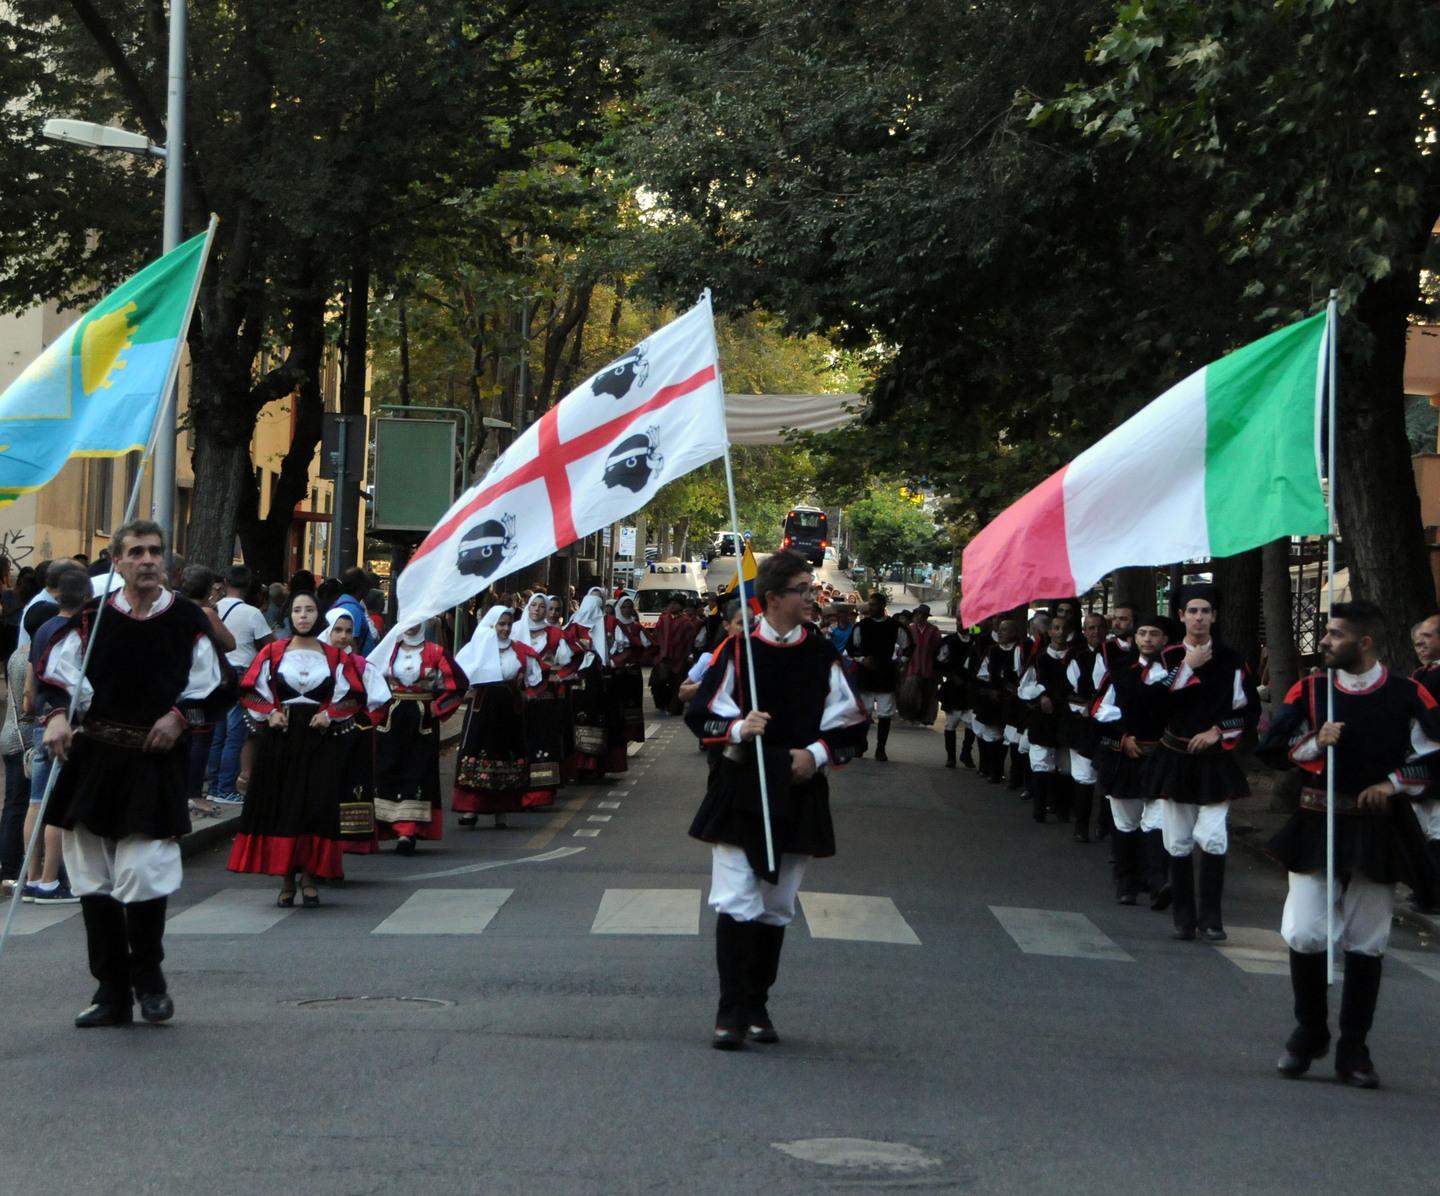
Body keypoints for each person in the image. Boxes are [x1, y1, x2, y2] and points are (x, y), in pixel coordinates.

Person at [38, 520, 223, 1027]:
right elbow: (54, 678)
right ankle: (110, 992)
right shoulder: (93, 619)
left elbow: (214, 687)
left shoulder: (185, 619)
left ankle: (150, 978)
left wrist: (179, 716)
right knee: (93, 880)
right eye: (136, 552)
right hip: (93, 759)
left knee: (144, 872)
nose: (147, 559)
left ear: (165, 561)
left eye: (155, 551)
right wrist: (55, 717)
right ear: (116, 561)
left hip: (152, 762)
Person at [686, 549, 869, 1049]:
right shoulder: (737, 651)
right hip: (741, 789)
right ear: (772, 599)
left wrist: (817, 752)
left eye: (813, 588)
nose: (815, 597)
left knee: (776, 904)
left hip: (798, 789)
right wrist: (737, 728)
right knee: (738, 898)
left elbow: (854, 724)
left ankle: (758, 1003)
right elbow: (700, 713)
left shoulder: (822, 653)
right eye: (805, 590)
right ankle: (731, 1010)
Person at [1259, 601, 1440, 1089]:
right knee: (1303, 931)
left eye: (1335, 635)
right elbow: (1273, 748)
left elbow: (1435, 750)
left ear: (1364, 643)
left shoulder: (1407, 693)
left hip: (1377, 827)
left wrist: (1396, 783)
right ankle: (1310, 1029)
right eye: (1325, 632)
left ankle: (1354, 1047)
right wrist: (1317, 741)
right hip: (1317, 821)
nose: (1324, 641)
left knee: (1367, 939)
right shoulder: (1312, 690)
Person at [227, 591, 373, 904]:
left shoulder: (334, 657)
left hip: (319, 741)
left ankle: (310, 876)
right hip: (281, 741)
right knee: (283, 806)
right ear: (290, 615)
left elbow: (355, 696)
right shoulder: (273, 652)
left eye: (309, 610)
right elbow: (250, 691)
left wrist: (329, 715)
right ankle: (286, 882)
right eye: (297, 610)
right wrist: (271, 713)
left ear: (317, 615)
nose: (303, 615)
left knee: (316, 806)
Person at [1143, 583, 1255, 942]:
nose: (1199, 617)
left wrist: (1219, 730)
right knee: (1177, 838)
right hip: (1175, 758)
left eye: (1205, 611)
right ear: (1181, 616)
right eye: (1192, 611)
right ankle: (1184, 917)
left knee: (1212, 834)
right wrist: (1185, 670)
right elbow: (1151, 708)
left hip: (1214, 761)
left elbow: (1247, 709)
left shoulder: (1232, 659)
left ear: (1214, 616)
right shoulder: (1166, 658)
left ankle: (1211, 915)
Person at [1093, 613, 1175, 904]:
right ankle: (1126, 882)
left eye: (1154, 634)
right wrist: (1123, 737)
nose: (1148, 639)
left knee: (1156, 819)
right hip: (1124, 758)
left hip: (1161, 757)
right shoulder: (1120, 671)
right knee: (1126, 821)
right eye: (1143, 633)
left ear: (1164, 639)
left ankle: (1157, 881)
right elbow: (1101, 710)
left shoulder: (1175, 674)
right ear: (1135, 638)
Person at [368, 621, 467, 852]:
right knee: (387, 769)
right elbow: (369, 675)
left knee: (418, 770)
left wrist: (437, 707)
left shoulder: (435, 651)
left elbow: (458, 684)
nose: (412, 626)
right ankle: (385, 827)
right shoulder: (388, 649)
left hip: (422, 719)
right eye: (408, 620)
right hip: (391, 718)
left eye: (417, 620)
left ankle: (408, 831)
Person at [452, 606, 547, 827]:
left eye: (508, 624)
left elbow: (537, 677)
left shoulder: (520, 651)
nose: (505, 629)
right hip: (481, 709)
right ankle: (470, 808)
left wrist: (527, 695)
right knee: (475, 750)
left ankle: (501, 810)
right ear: (491, 625)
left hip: (508, 710)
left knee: (505, 754)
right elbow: (459, 674)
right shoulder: (477, 649)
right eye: (501, 624)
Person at [321, 609, 391, 854]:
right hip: (321, 733)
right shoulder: (315, 661)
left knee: (353, 783)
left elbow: (380, 700)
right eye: (337, 630)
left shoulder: (360, 665)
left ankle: (352, 839)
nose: (343, 636)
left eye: (348, 632)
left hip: (353, 736)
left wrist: (365, 724)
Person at [205, 565, 274, 806]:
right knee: (236, 735)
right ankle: (225, 787)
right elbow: (270, 645)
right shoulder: (252, 613)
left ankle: (212, 785)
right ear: (248, 587)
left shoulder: (212, 608)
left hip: (217, 672)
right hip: (242, 675)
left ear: (225, 583)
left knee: (217, 734)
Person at [564, 591, 628, 781]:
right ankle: (578, 765)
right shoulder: (573, 626)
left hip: (597, 682)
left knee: (597, 721)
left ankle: (594, 764)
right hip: (577, 680)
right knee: (577, 721)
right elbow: (564, 649)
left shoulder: (605, 624)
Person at [846, 592, 908, 761]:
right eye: (870, 604)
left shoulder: (895, 626)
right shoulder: (862, 625)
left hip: (885, 674)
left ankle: (881, 748)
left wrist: (900, 661)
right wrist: (862, 659)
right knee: (864, 712)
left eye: (873, 605)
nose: (870, 607)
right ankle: (860, 744)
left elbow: (908, 646)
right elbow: (851, 648)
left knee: (884, 713)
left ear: (882, 606)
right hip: (866, 673)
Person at [611, 596, 653, 743]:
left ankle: (632, 734)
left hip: (633, 671)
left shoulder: (637, 627)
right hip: (616, 671)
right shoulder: (612, 626)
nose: (627, 610)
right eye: (624, 607)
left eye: (629, 607)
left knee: (633, 703)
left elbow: (648, 644)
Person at [935, 623, 974, 768]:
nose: (961, 624)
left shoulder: (976, 639)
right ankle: (951, 757)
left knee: (971, 723)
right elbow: (939, 661)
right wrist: (951, 675)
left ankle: (966, 753)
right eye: (959, 621)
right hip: (953, 687)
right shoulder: (949, 641)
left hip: (971, 687)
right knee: (951, 723)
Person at [900, 604, 941, 725]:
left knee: (928, 694)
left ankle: (926, 717)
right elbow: (905, 647)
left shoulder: (934, 630)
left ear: (926, 617)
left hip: (929, 667)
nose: (918, 617)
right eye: (917, 614)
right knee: (909, 694)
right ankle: (910, 715)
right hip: (912, 666)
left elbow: (937, 649)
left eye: (921, 615)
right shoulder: (910, 629)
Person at [331, 567, 378, 656]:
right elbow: (352, 644)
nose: (369, 590)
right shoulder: (352, 609)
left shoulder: (341, 602)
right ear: (360, 587)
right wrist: (355, 667)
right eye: (367, 585)